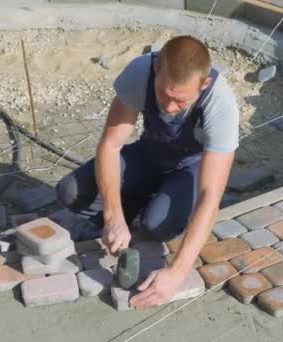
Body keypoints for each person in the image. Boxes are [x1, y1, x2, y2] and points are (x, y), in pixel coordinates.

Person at [56, 35, 239, 309]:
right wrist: (113, 216)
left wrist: (177, 272)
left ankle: (152, 211)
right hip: (150, 154)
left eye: (181, 101)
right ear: (156, 70)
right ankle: (129, 215)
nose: (168, 106)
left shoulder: (220, 104)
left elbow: (209, 196)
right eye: (163, 94)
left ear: (205, 84)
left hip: (190, 169)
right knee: (70, 192)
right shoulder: (140, 71)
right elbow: (109, 146)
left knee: (158, 226)